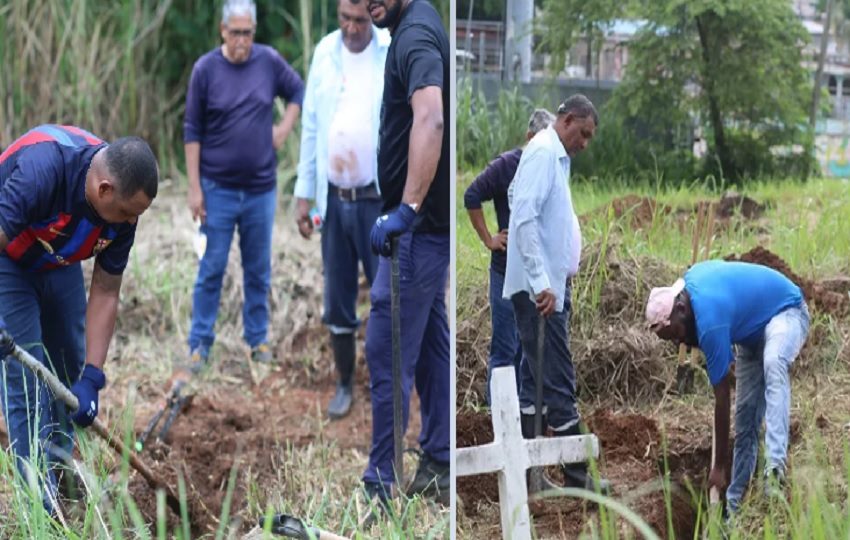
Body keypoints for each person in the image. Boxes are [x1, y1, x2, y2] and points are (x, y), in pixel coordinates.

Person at [0, 124, 158, 512]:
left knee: (69, 365)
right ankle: (39, 506)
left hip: (57, 260)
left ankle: (61, 469)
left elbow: (106, 289)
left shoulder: (124, 213)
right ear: (104, 190)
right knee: (28, 375)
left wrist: (92, 376)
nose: (129, 223)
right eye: (125, 214)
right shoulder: (44, 169)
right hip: (9, 258)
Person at [184, 0, 304, 366]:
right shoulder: (205, 69)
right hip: (216, 189)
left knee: (258, 268)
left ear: (254, 33)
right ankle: (199, 345)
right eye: (235, 32)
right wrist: (194, 187)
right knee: (211, 268)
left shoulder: (268, 61)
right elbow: (192, 130)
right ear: (223, 31)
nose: (241, 40)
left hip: (260, 191)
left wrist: (283, 129)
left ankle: (258, 340)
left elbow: (298, 90)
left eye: (247, 33)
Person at [363, 0, 450, 506]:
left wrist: (408, 207)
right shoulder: (416, 24)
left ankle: (382, 478)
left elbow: (431, 120)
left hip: (416, 231)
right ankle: (439, 459)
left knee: (387, 343)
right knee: (432, 346)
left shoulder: (414, 35)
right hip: (422, 227)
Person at [503, 94, 609, 491]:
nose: (584, 143)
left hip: (545, 289)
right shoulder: (544, 154)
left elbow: (521, 201)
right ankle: (579, 476)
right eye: (582, 133)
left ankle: (533, 476)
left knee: (535, 382)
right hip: (539, 295)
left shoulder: (551, 156)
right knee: (559, 378)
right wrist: (541, 280)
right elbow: (524, 216)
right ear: (565, 120)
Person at [646, 260, 810, 515]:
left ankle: (775, 471)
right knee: (745, 420)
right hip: (750, 337)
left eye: (676, 334)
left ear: (681, 308)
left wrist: (719, 468)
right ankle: (733, 510)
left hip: (786, 312)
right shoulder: (688, 292)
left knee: (773, 361)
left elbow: (722, 396)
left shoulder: (709, 321)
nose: (680, 341)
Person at [294, 0, 390, 420]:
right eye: (345, 19)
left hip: (376, 198)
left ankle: (387, 384)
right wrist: (303, 192)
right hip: (334, 199)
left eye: (360, 20)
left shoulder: (389, 50)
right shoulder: (324, 52)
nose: (352, 28)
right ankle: (345, 383)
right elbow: (312, 126)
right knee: (338, 298)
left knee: (385, 295)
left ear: (374, 14)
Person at [463, 109, 555, 404]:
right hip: (505, 271)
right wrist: (489, 238)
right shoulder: (508, 165)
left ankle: (521, 411)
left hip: (536, 276)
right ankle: (498, 417)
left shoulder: (552, 167)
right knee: (504, 346)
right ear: (529, 138)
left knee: (525, 348)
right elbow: (471, 195)